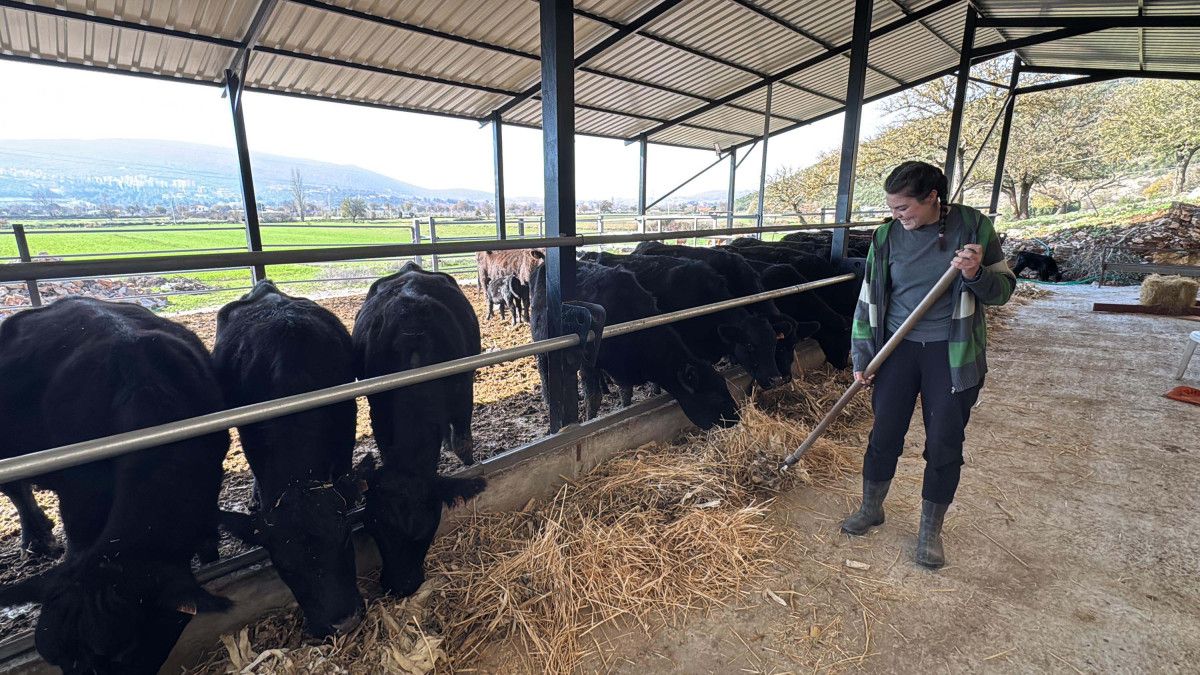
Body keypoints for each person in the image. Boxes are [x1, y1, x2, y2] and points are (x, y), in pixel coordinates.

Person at [842, 161, 1015, 569]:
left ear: (932, 197)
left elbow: (1003, 290)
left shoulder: (973, 228)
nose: (896, 215)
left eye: (903, 207)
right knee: (884, 433)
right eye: (891, 208)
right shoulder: (886, 236)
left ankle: (929, 532)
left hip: (951, 351)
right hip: (896, 349)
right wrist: (863, 355)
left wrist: (974, 273)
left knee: (943, 442)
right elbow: (868, 297)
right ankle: (871, 508)